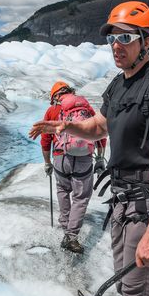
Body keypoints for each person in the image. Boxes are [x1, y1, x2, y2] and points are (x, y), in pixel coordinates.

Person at [30, 1, 149, 296]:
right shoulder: (119, 85)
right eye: (112, 39)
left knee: (139, 295)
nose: (116, 46)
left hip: (148, 203)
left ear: (147, 41)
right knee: (127, 284)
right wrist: (68, 126)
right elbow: (99, 127)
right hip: (123, 202)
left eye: (126, 38)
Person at [40, 81, 106, 254]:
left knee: (63, 189)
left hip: (61, 157)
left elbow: (46, 140)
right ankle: (71, 236)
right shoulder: (84, 106)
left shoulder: (53, 110)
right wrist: (100, 157)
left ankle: (65, 226)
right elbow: (99, 131)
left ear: (54, 96)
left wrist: (47, 163)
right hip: (83, 157)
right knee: (81, 197)